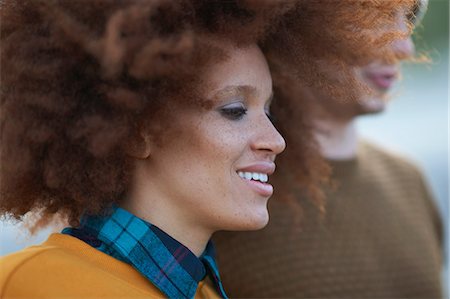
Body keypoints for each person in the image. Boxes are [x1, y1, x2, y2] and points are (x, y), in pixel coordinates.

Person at [0, 0, 416, 298]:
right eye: (234, 109)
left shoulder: (201, 287)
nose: (276, 140)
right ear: (137, 130)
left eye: (269, 110)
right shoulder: (33, 284)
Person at [213, 0, 444, 298]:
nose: (405, 48)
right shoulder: (229, 194)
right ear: (297, 21)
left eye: (411, 16)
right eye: (375, 16)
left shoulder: (409, 179)